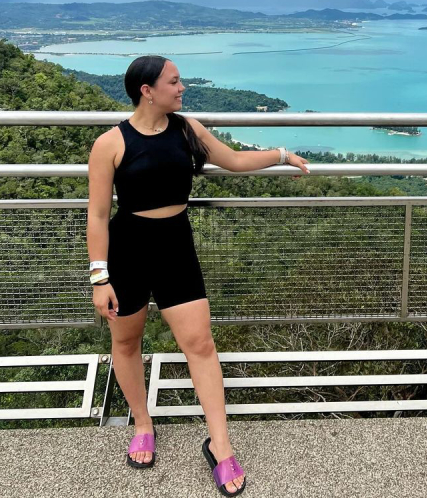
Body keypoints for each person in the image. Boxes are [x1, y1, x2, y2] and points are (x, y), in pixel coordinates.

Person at [86, 55, 310, 496]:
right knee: (126, 342)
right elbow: (96, 215)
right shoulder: (109, 143)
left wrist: (282, 155)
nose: (182, 87)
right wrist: (99, 277)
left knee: (201, 344)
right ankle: (143, 424)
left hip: (176, 246)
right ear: (146, 90)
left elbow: (234, 161)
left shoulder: (187, 129)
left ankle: (221, 446)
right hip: (128, 248)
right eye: (174, 81)